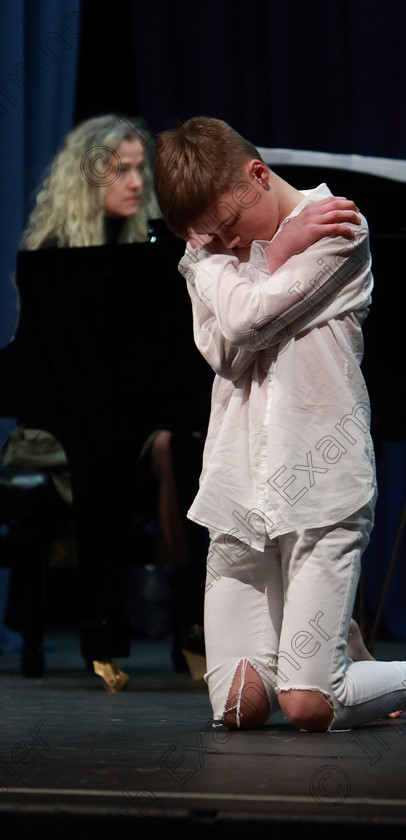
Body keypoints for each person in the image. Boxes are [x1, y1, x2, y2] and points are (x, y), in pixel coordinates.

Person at [153, 116, 406, 731]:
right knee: (239, 707)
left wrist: (248, 258)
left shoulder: (337, 226)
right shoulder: (214, 246)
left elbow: (242, 324)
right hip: (239, 491)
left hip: (321, 481)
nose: (227, 248)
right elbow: (220, 353)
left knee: (308, 705)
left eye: (231, 230)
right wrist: (259, 253)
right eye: (211, 241)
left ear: (257, 177)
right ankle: (336, 647)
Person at [1, 114, 205, 689]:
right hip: (60, 424)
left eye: (141, 169)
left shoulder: (158, 250)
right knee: (135, 447)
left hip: (137, 419)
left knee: (180, 446)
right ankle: (121, 630)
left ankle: (190, 623)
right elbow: (49, 363)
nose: (137, 182)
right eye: (122, 170)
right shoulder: (52, 252)